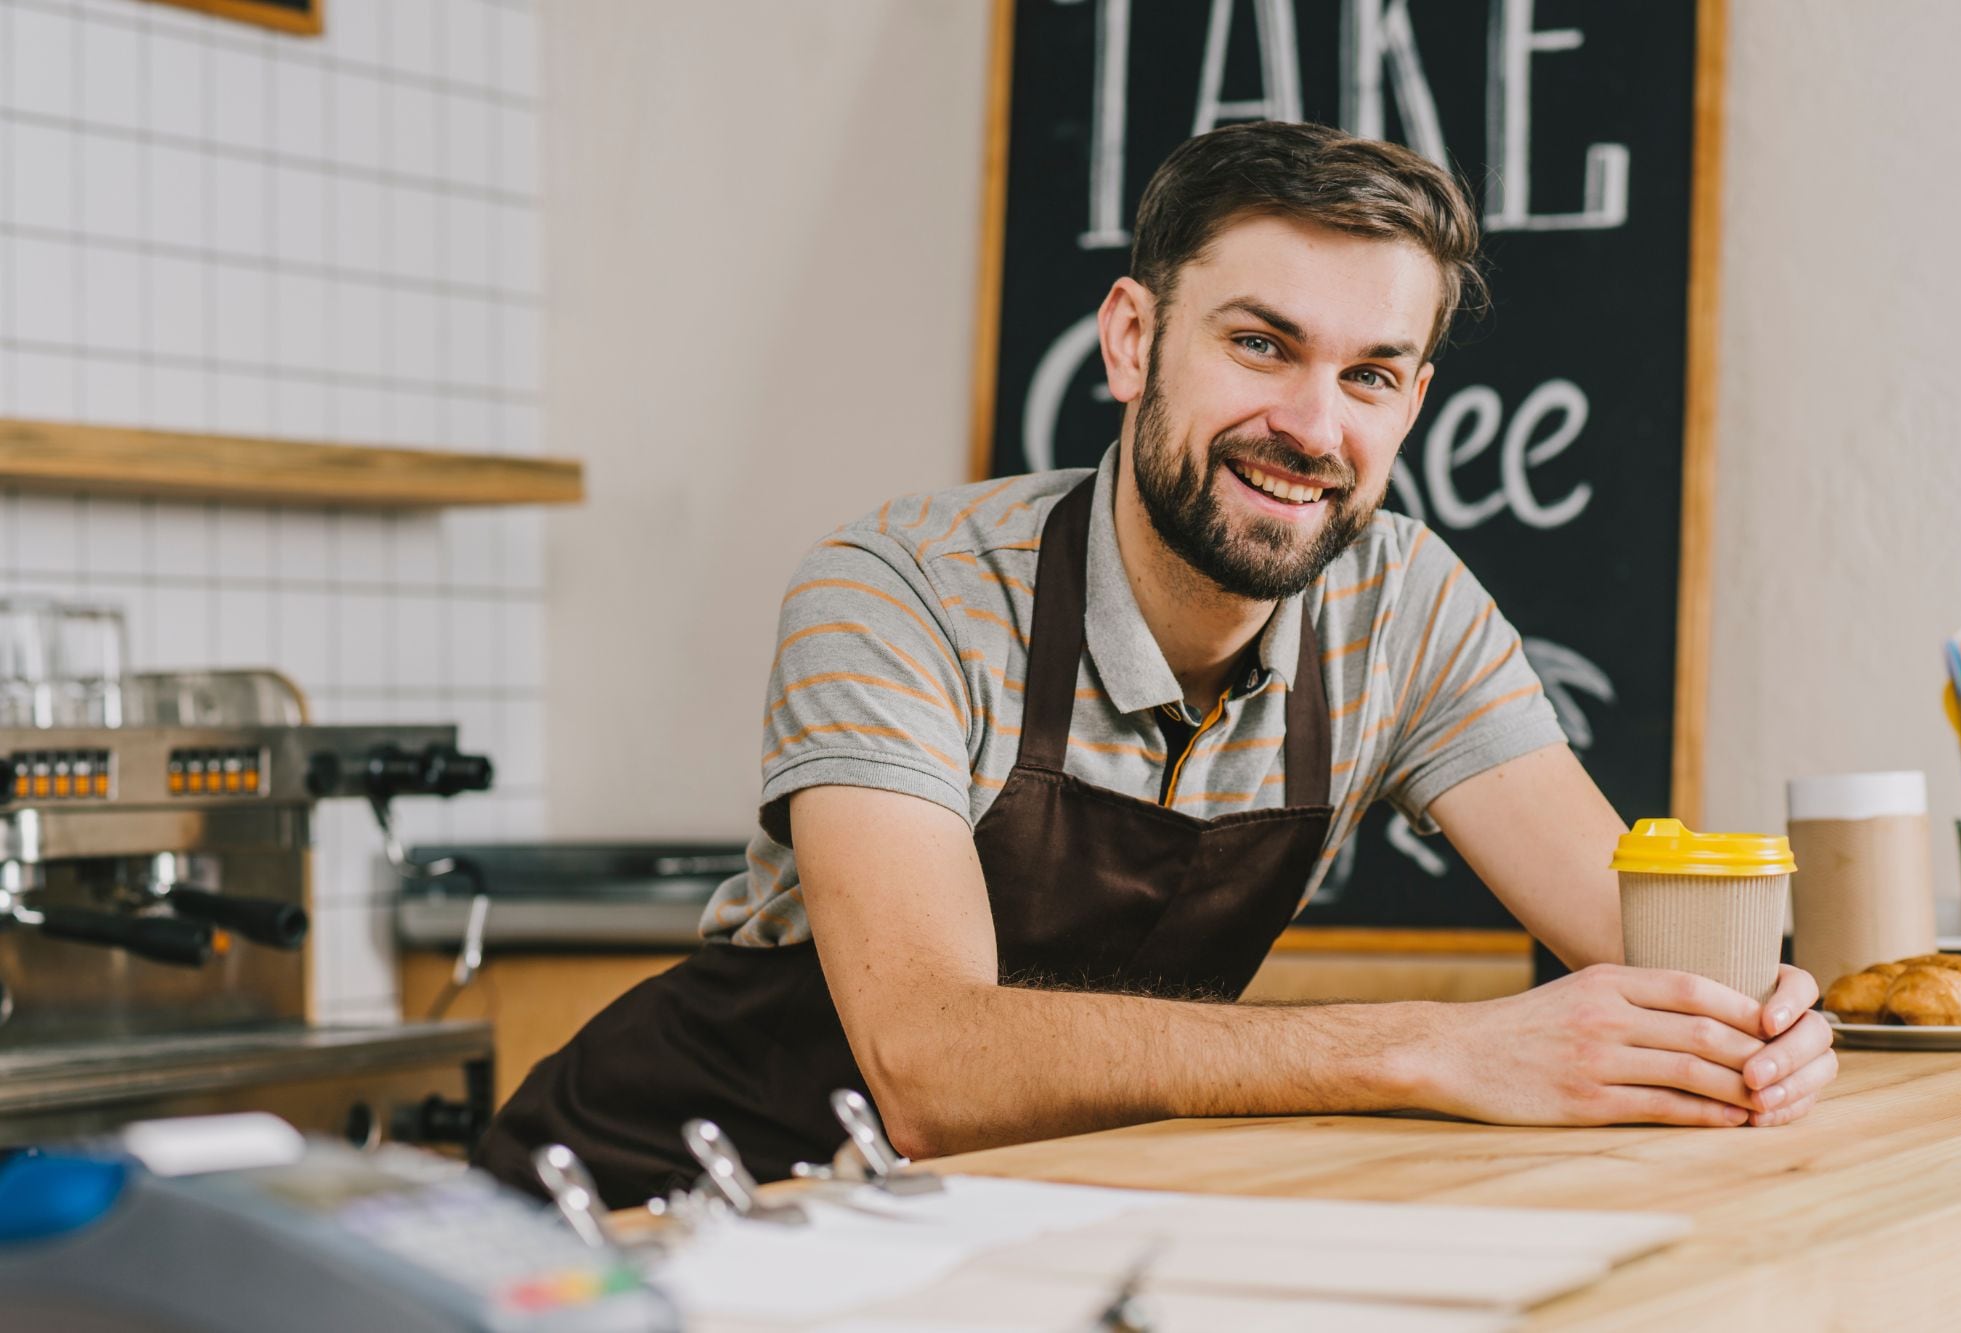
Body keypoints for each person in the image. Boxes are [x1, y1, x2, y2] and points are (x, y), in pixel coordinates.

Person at [475, 122, 1836, 1207]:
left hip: (997, 1222)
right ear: (1133, 340)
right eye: (1260, 344)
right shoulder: (901, 591)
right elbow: (931, 1063)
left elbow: (1651, 953)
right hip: (659, 1211)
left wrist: (1764, 1021)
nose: (1312, 426)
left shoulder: (1404, 608)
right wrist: (1441, 1046)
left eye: (1372, 374)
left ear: (1414, 401)